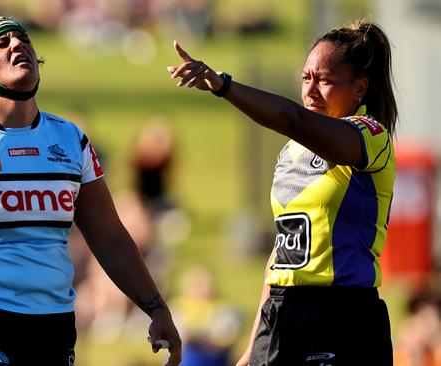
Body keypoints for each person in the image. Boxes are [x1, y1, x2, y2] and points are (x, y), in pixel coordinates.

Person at [0, 16, 181, 366]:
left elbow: (110, 236)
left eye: (23, 39)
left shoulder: (70, 140)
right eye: (1, 43)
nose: (18, 45)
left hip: (55, 322)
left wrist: (156, 308)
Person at [167, 20, 397, 365]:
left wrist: (221, 85)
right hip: (281, 313)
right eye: (306, 78)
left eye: (326, 80)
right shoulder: (292, 152)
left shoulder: (371, 135)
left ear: (359, 88)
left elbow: (292, 119)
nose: (311, 90)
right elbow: (281, 254)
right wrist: (250, 352)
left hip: (341, 316)